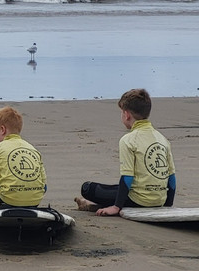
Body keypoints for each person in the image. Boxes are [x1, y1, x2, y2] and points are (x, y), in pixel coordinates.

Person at [75, 88, 176, 216]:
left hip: (138, 201)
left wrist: (116, 207)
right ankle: (98, 205)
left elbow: (128, 177)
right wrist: (167, 206)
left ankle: (102, 205)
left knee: (87, 188)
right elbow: (172, 178)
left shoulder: (128, 140)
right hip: (159, 200)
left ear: (127, 115)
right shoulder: (163, 139)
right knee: (115, 189)